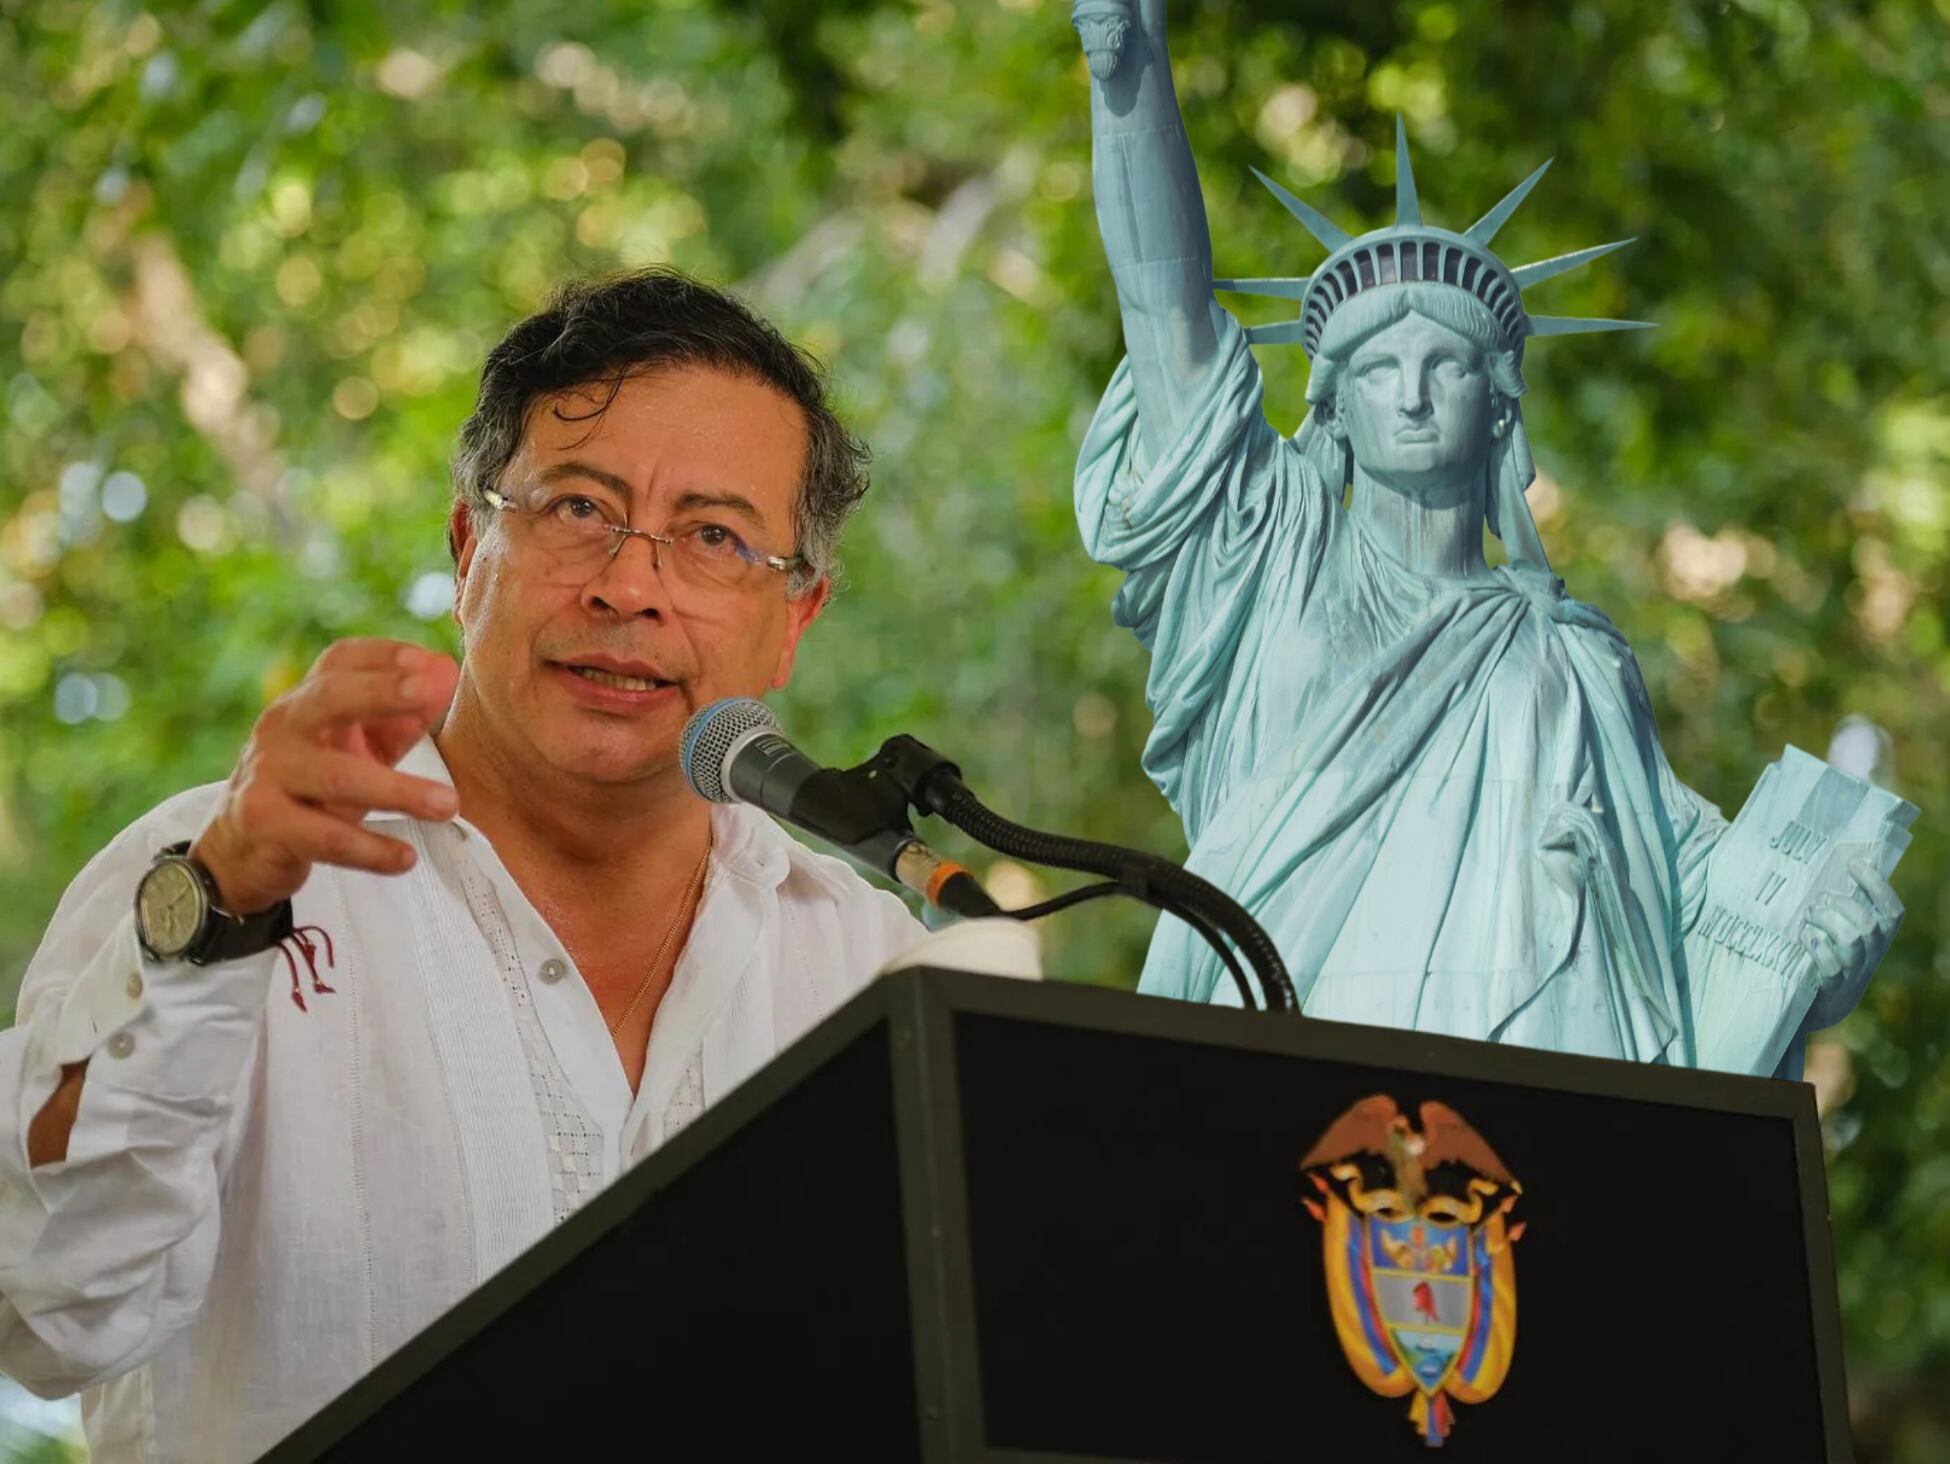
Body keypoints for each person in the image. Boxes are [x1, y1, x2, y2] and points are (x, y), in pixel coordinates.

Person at [0, 268, 926, 1460]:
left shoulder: (870, 972)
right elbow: (43, 1313)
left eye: (712, 538)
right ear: (465, 544)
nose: (629, 586)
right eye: (580, 509)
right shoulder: (217, 872)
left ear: (795, 620)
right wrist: (216, 914)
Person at [1067, 1, 1902, 1070]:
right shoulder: (1268, 559)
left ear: (1500, 404)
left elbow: (1693, 891)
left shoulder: (1573, 656)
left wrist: (1824, 931)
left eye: (1445, 365)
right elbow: (1165, 313)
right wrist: (1129, 78)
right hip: (1295, 1057)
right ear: (1334, 409)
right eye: (1377, 369)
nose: (1411, 394)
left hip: (1540, 1100)